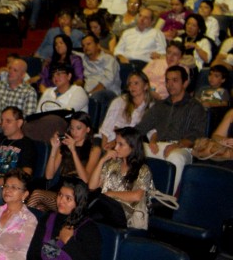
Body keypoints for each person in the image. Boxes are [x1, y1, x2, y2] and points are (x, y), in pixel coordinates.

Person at [135, 65, 208, 193]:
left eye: (175, 80)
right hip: (159, 146)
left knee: (176, 158)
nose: (170, 84)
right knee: (135, 150)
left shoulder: (195, 107)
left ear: (185, 83)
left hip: (183, 148)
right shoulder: (160, 106)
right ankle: (135, 194)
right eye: (167, 80)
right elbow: (141, 127)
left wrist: (178, 144)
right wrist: (122, 138)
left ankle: (167, 200)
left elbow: (197, 135)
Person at [27, 112, 101, 212]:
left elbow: (86, 179)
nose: (74, 132)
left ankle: (20, 223)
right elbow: (49, 176)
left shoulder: (94, 149)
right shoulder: (64, 146)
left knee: (37, 195)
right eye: (72, 128)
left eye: (78, 128)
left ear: (87, 129)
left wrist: (73, 150)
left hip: (77, 192)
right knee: (39, 207)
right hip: (61, 188)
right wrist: (54, 149)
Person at [88, 127, 154, 230]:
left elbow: (137, 196)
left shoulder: (143, 169)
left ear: (132, 147)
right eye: (116, 143)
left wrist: (110, 195)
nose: (116, 148)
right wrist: (102, 160)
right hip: (105, 207)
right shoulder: (112, 164)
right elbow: (92, 186)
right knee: (89, 197)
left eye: (121, 144)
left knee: (97, 200)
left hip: (127, 213)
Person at [26, 178, 102, 260]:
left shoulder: (89, 229)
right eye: (60, 195)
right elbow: (32, 253)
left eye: (68, 198)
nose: (61, 200)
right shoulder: (48, 218)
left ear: (79, 202)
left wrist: (69, 242)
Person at [0, 106, 37, 207]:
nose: (3, 125)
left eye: (8, 121)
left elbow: (26, 173)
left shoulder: (27, 144)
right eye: (2, 121)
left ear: (19, 123)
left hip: (6, 186)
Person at [99, 71, 154, 151]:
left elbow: (152, 131)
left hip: (132, 145)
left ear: (146, 86)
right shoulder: (120, 101)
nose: (132, 87)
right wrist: (104, 149)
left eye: (136, 83)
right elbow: (106, 128)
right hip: (110, 142)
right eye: (130, 84)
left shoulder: (151, 106)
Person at [0, 58, 38, 134]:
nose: (10, 72)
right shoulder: (0, 85)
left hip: (15, 128)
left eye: (15, 70)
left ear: (23, 75)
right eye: (10, 68)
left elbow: (27, 118)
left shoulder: (29, 91)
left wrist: (3, 122)